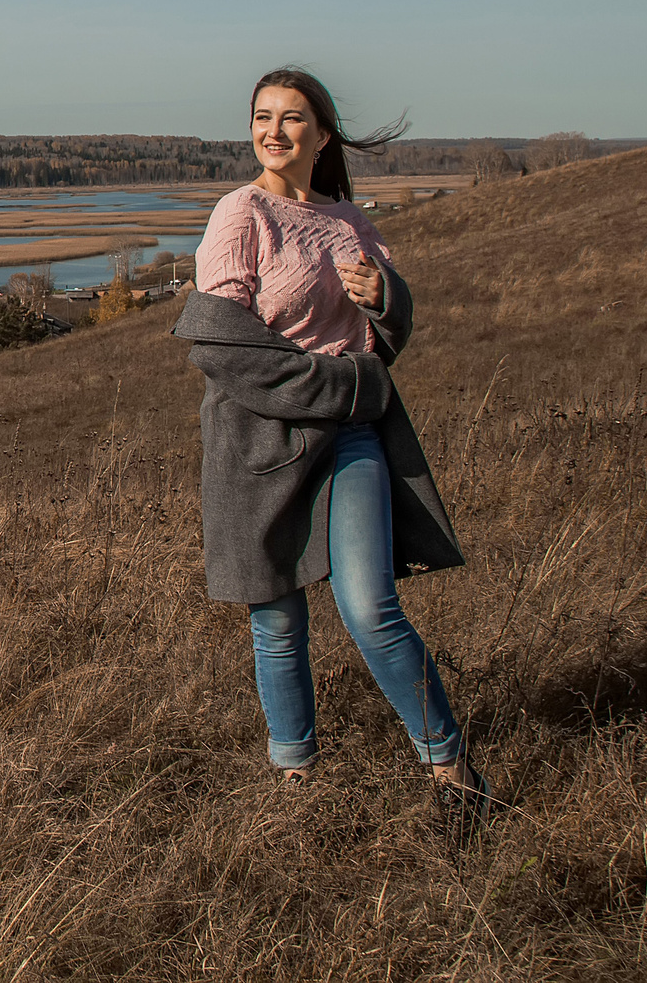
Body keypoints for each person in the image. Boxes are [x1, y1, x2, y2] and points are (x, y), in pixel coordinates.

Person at [172, 67, 489, 809]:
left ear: (321, 133)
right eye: (261, 116)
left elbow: (384, 333)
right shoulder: (239, 213)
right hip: (256, 443)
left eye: (291, 117)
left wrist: (389, 301)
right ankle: (297, 784)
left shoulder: (350, 223)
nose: (273, 131)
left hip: (349, 439)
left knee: (371, 606)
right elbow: (225, 348)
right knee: (277, 618)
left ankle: (453, 774)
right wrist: (347, 384)